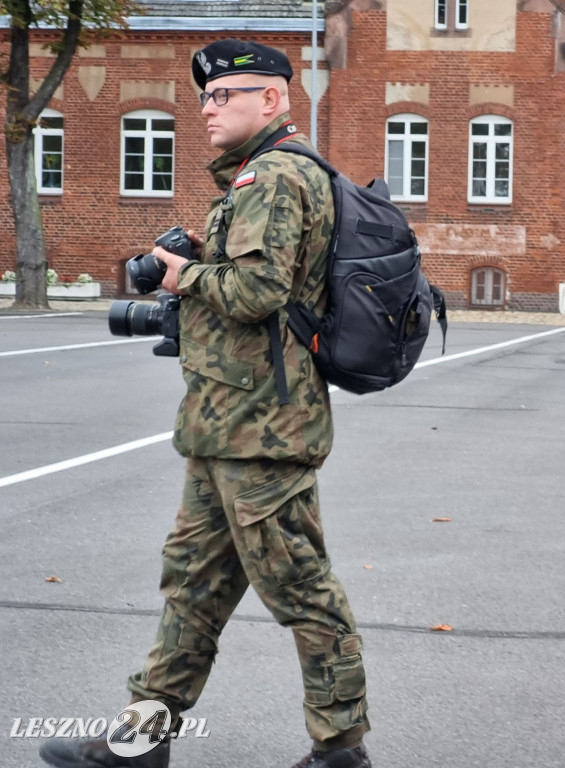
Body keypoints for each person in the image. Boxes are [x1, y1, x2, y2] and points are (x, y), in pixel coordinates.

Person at [39, 40, 372, 768]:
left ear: (274, 100)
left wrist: (180, 275)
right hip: (225, 425)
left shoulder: (274, 178)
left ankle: (342, 749)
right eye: (206, 100)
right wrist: (199, 256)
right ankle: (140, 740)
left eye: (228, 96)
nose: (210, 109)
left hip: (263, 431)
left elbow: (259, 295)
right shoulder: (258, 179)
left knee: (302, 591)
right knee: (193, 584)